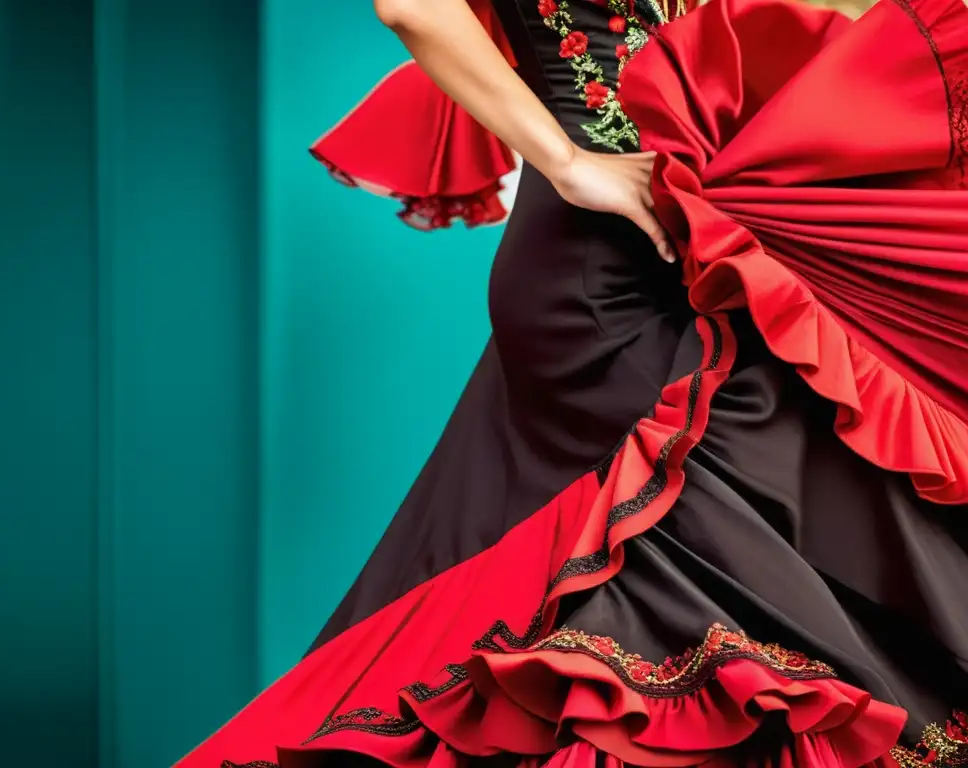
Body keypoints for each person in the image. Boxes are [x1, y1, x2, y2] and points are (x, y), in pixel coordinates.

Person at [180, 0, 968, 765]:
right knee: (672, 580)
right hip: (604, 262)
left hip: (710, 237)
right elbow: (413, 6)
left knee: (655, 582)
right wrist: (566, 164)